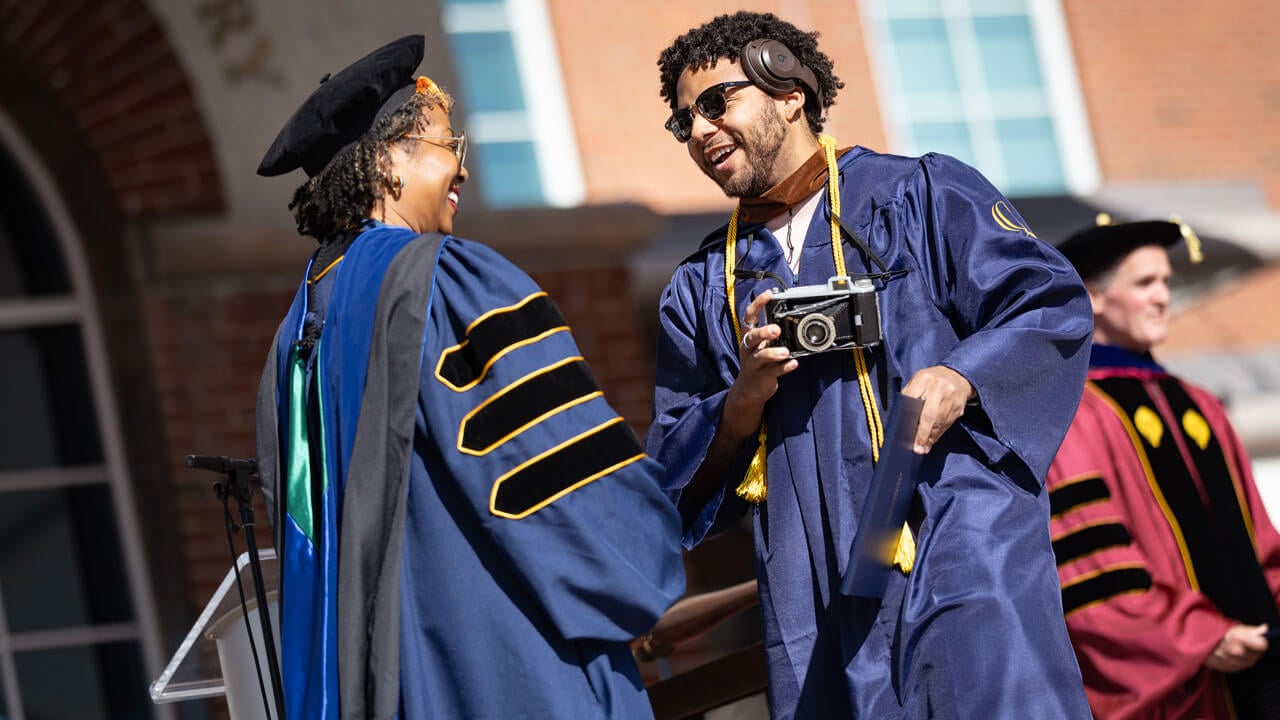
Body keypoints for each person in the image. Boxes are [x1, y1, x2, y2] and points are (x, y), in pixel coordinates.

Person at [646, 11, 1094, 718]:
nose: (699, 131)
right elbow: (671, 466)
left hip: (955, 538)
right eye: (683, 122)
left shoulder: (922, 196)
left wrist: (961, 375)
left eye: (715, 102)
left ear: (789, 90)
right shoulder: (704, 284)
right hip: (814, 587)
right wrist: (741, 402)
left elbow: (1047, 303)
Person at [253, 35, 684, 719]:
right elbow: (560, 480)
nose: (461, 172)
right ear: (389, 164)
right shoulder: (442, 279)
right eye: (450, 149)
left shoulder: (299, 330)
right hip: (508, 652)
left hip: (386, 677)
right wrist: (640, 562)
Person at [1047, 218, 1280, 719]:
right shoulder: (1075, 413)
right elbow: (1094, 573)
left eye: (1166, 283)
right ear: (1094, 297)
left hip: (1262, 671)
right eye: (1144, 283)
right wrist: (1201, 636)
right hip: (1180, 689)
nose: (1162, 298)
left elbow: (1261, 540)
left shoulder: (1199, 404)